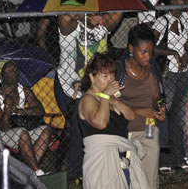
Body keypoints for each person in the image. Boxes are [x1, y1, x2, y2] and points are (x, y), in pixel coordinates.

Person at [55, 10, 123, 183]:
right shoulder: (72, 30)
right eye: (97, 14)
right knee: (79, 126)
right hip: (68, 88)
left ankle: (109, 164)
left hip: (94, 88)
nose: (103, 18)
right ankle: (75, 173)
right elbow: (64, 17)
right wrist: (81, 14)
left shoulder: (101, 28)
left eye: (103, 14)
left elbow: (118, 13)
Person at [78, 53, 147, 189]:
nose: (110, 80)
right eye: (105, 76)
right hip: (102, 162)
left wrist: (113, 100)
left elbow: (130, 115)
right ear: (92, 77)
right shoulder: (87, 100)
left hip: (122, 159)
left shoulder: (109, 98)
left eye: (112, 75)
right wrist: (105, 96)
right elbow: (101, 123)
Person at [152, 0, 188, 170]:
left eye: (183, 0)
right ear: (169, 2)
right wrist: (172, 52)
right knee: (163, 114)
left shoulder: (186, 19)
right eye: (177, 0)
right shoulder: (161, 22)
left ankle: (181, 157)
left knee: (179, 116)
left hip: (183, 72)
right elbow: (150, 47)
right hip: (168, 74)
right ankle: (162, 159)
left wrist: (187, 53)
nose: (181, 4)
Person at [116, 25, 166, 188]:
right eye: (143, 52)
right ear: (131, 48)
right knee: (126, 179)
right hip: (125, 132)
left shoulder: (152, 69)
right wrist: (138, 111)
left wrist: (160, 108)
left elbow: (158, 97)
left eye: (151, 52)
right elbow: (110, 103)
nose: (148, 56)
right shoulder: (118, 71)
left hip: (149, 131)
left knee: (150, 180)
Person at [0, 61, 52, 176]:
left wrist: (19, 111)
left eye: (15, 69)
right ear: (2, 75)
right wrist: (7, 111)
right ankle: (37, 172)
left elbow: (40, 110)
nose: (13, 72)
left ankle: (30, 171)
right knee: (22, 133)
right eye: (8, 70)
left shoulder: (24, 90)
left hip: (19, 128)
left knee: (46, 130)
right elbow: (1, 128)